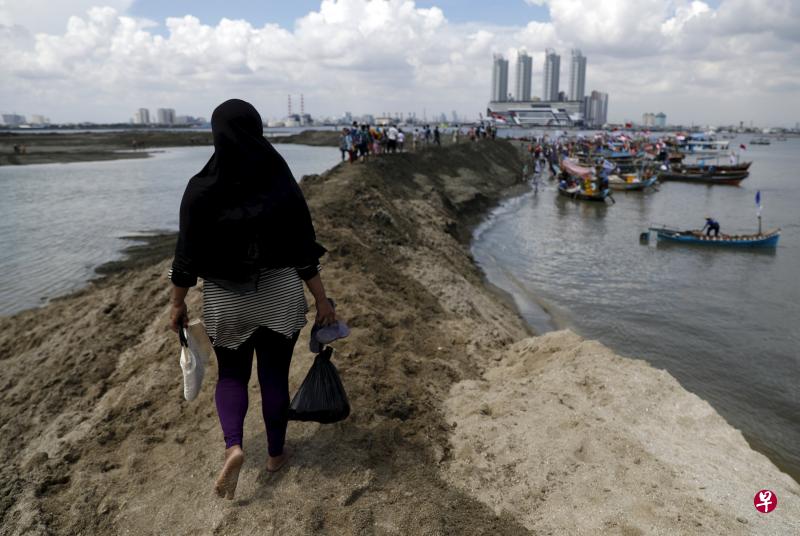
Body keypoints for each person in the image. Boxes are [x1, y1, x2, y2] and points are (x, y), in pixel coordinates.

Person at [168, 99, 339, 500]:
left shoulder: (201, 188)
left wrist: (177, 303)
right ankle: (276, 456)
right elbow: (303, 249)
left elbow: (185, 256)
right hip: (279, 292)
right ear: (257, 128)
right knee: (274, 376)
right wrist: (322, 300)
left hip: (226, 299)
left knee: (231, 375)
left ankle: (234, 446)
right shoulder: (279, 181)